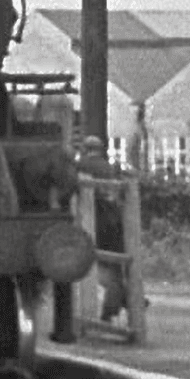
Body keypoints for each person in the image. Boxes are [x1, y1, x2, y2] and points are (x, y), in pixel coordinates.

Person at [72, 135, 132, 322]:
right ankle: (121, 300)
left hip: (94, 221)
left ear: (84, 148)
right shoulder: (109, 168)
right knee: (114, 266)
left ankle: (118, 302)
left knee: (102, 267)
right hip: (115, 221)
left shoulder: (81, 166)